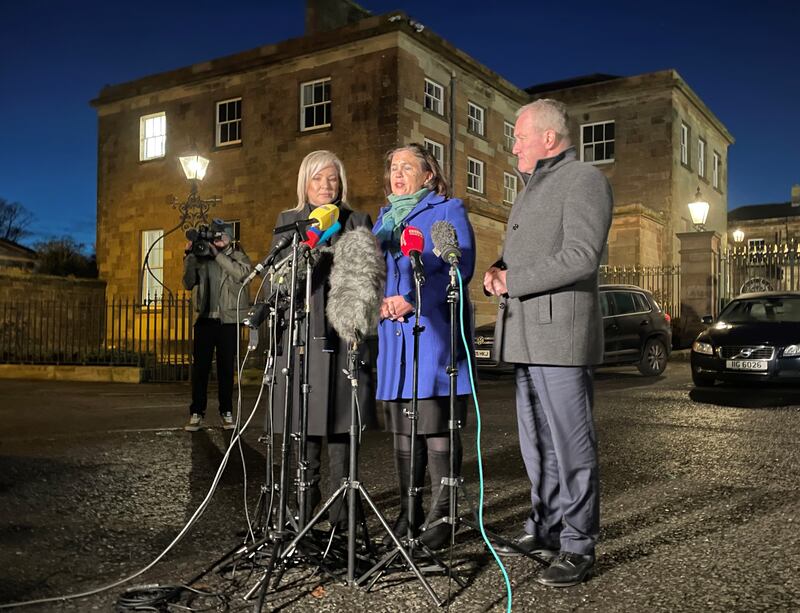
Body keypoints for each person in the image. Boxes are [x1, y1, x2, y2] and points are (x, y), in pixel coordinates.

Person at [484, 99, 613, 587]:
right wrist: (497, 270)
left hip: (561, 335)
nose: (512, 143)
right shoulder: (530, 187)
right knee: (537, 443)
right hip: (525, 332)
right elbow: (528, 249)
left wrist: (512, 280)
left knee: (571, 443)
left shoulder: (584, 179)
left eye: (518, 135)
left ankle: (579, 544)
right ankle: (546, 525)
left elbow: (582, 256)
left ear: (549, 139)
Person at [373, 143, 475, 550]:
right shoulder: (383, 220)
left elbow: (460, 265)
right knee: (404, 429)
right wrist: (376, 300)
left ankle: (444, 516)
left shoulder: (446, 210)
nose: (397, 173)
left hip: (432, 335)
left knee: (435, 427)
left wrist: (412, 298)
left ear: (428, 174)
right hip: (392, 339)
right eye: (393, 166)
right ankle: (408, 513)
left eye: (407, 167)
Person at [269, 150, 376, 528]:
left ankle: (343, 521)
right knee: (303, 430)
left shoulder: (356, 221)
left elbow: (365, 281)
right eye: (318, 179)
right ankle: (299, 514)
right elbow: (277, 285)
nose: (326, 186)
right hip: (301, 341)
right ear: (305, 183)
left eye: (332, 179)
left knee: (341, 431)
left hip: (341, 339)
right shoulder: (288, 222)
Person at [183, 219, 252, 431]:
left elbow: (242, 274)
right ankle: (197, 412)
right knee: (200, 369)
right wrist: (189, 258)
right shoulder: (202, 257)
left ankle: (226, 411)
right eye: (215, 236)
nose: (217, 239)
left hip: (228, 321)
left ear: (230, 238)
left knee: (225, 369)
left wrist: (217, 255)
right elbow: (187, 283)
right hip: (204, 320)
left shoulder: (238, 256)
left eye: (221, 236)